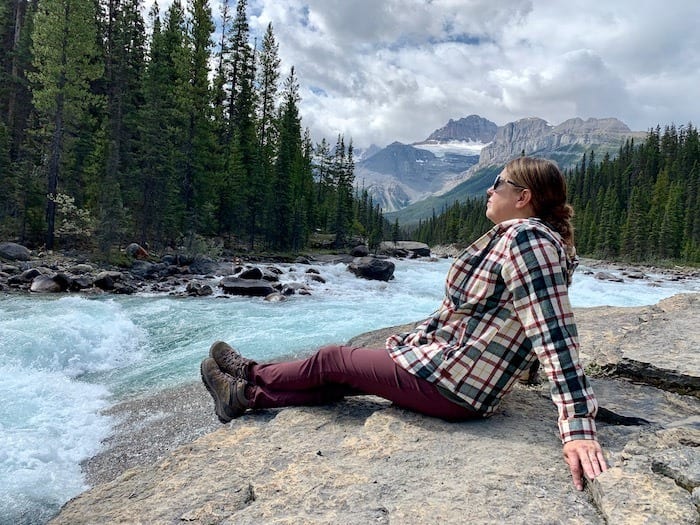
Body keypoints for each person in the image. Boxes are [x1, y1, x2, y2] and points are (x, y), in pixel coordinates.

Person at [200, 156, 608, 491]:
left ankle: (249, 372)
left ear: (523, 196)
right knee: (346, 380)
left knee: (333, 359)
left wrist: (577, 426)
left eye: (497, 183)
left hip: (456, 386)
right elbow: (518, 319)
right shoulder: (535, 238)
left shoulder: (528, 240)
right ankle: (243, 397)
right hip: (457, 374)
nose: (489, 189)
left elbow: (552, 331)